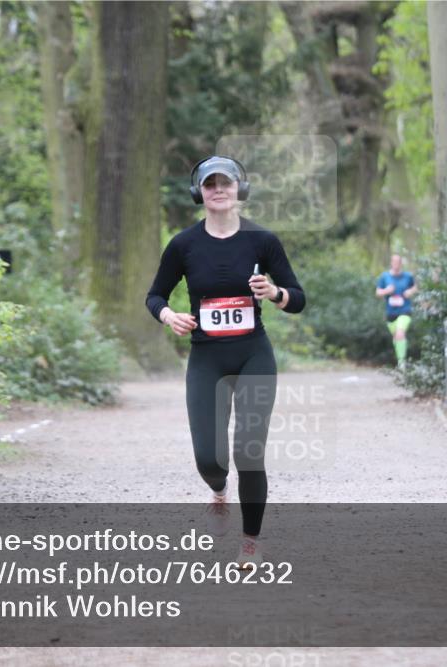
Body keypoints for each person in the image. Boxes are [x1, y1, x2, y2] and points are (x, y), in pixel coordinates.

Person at [145, 156, 306, 569]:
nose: (219, 189)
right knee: (209, 459)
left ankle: (250, 542)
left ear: (240, 189)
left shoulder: (262, 241)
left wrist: (274, 293)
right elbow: (155, 295)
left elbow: (298, 299)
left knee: (249, 452)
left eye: (226, 183)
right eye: (210, 184)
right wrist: (169, 315)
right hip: (206, 359)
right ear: (198, 193)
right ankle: (218, 490)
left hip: (254, 355)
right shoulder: (183, 245)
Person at [375, 253, 417, 368]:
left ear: (401, 263)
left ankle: (401, 363)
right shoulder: (385, 277)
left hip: (405, 311)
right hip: (391, 313)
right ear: (391, 263)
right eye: (394, 261)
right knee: (397, 337)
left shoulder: (408, 276)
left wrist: (410, 292)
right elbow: (378, 292)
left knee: (400, 333)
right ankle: (400, 358)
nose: (396, 264)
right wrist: (386, 291)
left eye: (398, 262)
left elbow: (415, 287)